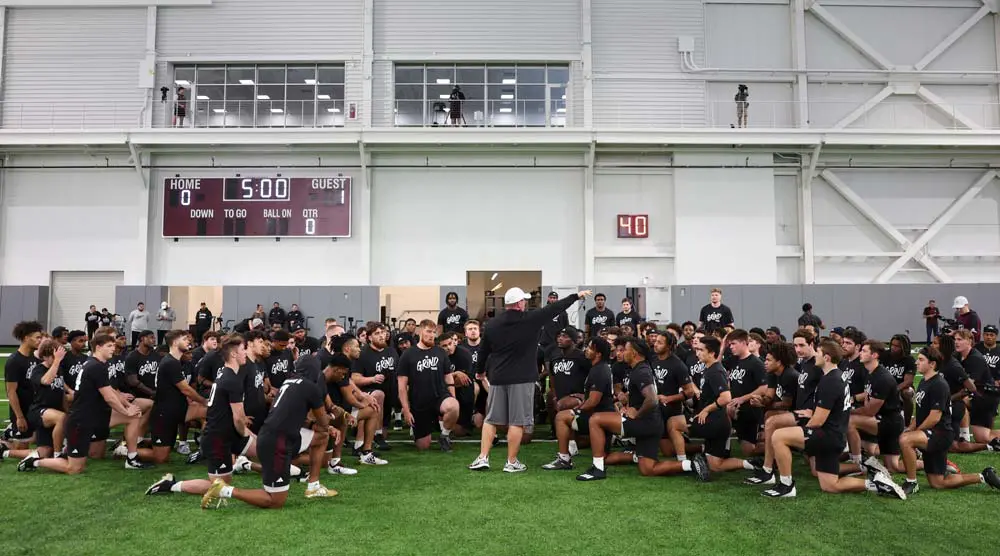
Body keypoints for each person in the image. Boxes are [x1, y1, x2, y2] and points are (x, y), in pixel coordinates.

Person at [468, 288, 591, 473]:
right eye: (524, 301)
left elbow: (483, 351)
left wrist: (480, 372)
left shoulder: (492, 324)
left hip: (498, 376)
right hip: (522, 378)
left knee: (491, 419)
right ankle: (511, 462)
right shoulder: (530, 319)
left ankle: (482, 458)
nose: (525, 303)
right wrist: (576, 296)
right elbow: (555, 308)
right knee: (517, 421)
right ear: (519, 303)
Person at [764, 339, 904, 499]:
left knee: (779, 436)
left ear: (827, 357)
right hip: (835, 434)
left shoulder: (830, 380)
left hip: (828, 436)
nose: (815, 355)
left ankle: (786, 485)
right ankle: (876, 484)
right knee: (830, 485)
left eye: (818, 353)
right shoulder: (836, 376)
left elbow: (818, 422)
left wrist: (801, 439)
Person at [18, 334, 147, 474]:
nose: (113, 349)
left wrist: (128, 407)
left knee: (134, 416)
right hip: (81, 420)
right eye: (109, 346)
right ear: (98, 347)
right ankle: (35, 461)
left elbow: (111, 391)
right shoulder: (95, 366)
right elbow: (109, 397)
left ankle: (132, 459)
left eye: (114, 346)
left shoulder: (99, 364)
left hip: (96, 416)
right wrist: (125, 410)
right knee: (74, 468)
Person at [143, 335, 252, 497]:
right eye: (244, 349)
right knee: (219, 486)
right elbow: (237, 417)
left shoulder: (227, 373)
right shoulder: (230, 379)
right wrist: (244, 432)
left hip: (221, 433)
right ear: (234, 354)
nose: (246, 353)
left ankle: (248, 464)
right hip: (215, 437)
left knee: (227, 480)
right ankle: (171, 484)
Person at [898, 347, 1000, 495]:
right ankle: (983, 476)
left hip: (939, 434)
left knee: (905, 440)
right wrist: (911, 427)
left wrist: (914, 432)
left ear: (932, 364)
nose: (916, 363)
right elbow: (920, 412)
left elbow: (934, 417)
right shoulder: (924, 382)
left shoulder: (939, 384)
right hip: (932, 432)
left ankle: (911, 482)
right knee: (938, 483)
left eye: (921, 360)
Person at [135, 330, 208, 464]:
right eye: (185, 339)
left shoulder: (175, 361)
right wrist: (204, 401)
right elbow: (185, 389)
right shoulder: (170, 362)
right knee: (161, 458)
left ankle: (206, 451)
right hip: (164, 414)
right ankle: (128, 450)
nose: (189, 342)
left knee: (209, 413)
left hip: (177, 409)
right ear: (175, 342)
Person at [543, 337, 616, 470]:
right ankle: (569, 452)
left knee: (561, 417)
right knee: (605, 458)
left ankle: (564, 459)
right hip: (599, 415)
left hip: (599, 418)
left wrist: (578, 408)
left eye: (589, 348)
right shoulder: (598, 367)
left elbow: (593, 401)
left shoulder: (599, 370)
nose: (586, 350)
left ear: (598, 353)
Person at [843, 340, 906, 475]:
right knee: (893, 467)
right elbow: (867, 396)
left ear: (874, 355)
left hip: (889, 423)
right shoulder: (871, 372)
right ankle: (926, 464)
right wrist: (853, 400)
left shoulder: (882, 377)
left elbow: (869, 411)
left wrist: (848, 409)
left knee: (848, 420)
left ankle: (857, 462)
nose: (860, 353)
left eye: (864, 351)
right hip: (883, 420)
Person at [398, 321, 459, 452]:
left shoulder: (440, 352)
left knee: (453, 406)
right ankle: (420, 430)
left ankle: (444, 436)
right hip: (419, 402)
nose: (432, 335)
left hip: (439, 397)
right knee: (423, 446)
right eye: (428, 331)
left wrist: (453, 398)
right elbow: (402, 386)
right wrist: (407, 410)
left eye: (434, 332)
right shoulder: (408, 354)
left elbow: (448, 377)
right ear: (420, 332)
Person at [723, 330, 768, 457]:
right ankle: (725, 451)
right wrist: (722, 348)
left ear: (744, 343)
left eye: (733, 344)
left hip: (750, 409)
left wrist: (742, 399)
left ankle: (775, 448)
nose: (730, 347)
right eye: (729, 344)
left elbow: (764, 387)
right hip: (736, 407)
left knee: (749, 450)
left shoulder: (756, 363)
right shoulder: (733, 360)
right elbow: (716, 365)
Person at [352, 322, 395, 451]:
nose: (382, 336)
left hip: (389, 395)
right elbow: (354, 378)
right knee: (377, 395)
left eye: (383, 332)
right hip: (366, 393)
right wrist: (372, 379)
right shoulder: (363, 353)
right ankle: (360, 444)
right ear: (369, 337)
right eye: (377, 333)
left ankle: (373, 439)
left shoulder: (391, 351)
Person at [4, 321, 43, 452]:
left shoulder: (34, 358)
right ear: (26, 338)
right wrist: (19, 417)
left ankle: (6, 438)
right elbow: (11, 392)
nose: (40, 340)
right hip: (22, 410)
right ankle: (4, 448)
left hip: (34, 408)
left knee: (38, 441)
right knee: (22, 447)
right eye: (37, 337)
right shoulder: (14, 361)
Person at [27, 339, 69, 459]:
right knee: (62, 417)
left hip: (53, 412)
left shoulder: (58, 369)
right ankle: (58, 454)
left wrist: (67, 410)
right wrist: (56, 361)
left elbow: (60, 392)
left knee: (44, 452)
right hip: (39, 410)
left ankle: (5, 451)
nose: (58, 360)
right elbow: (46, 381)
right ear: (45, 356)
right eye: (53, 356)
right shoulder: (38, 370)